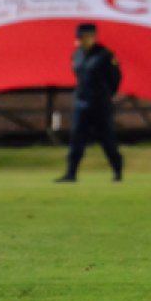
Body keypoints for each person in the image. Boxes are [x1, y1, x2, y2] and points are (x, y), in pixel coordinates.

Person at [56, 23, 123, 183]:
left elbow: (115, 78)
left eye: (86, 37)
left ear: (93, 37)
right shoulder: (77, 54)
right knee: (76, 139)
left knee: (107, 139)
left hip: (100, 104)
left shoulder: (105, 55)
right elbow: (78, 75)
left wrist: (106, 95)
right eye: (80, 37)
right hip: (82, 103)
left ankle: (117, 172)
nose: (82, 40)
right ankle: (71, 173)